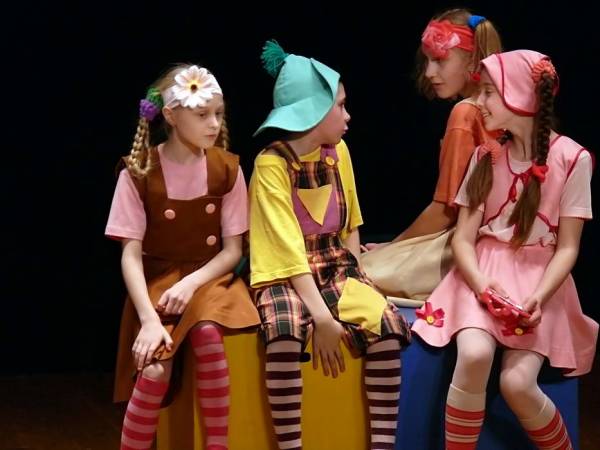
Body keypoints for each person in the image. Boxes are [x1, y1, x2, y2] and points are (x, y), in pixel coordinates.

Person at [412, 49, 598, 449]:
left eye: (489, 92)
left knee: (517, 383)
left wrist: (538, 297)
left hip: (539, 281)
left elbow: (568, 247)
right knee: (474, 355)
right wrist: (482, 286)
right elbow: (464, 239)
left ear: (521, 96)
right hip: (483, 273)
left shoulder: (572, 158)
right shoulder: (486, 156)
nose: (479, 102)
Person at [248, 40, 411, 450]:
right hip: (285, 275)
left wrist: (359, 281)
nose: (348, 115)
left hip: (334, 267)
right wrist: (322, 318)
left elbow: (351, 224)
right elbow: (286, 253)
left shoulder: (339, 152)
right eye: (340, 106)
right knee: (285, 332)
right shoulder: (271, 165)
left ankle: (382, 445)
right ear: (315, 112)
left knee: (387, 326)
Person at [105, 64, 260, 450]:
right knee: (155, 369)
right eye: (202, 114)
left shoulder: (227, 169)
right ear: (171, 117)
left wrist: (191, 284)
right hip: (158, 283)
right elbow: (130, 255)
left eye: (218, 113)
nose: (214, 123)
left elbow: (233, 250)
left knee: (208, 335)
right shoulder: (138, 172)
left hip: (210, 279)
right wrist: (147, 319)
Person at [361, 9, 503, 306]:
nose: (428, 72)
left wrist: (392, 248)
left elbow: (446, 211)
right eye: (427, 61)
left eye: (439, 60)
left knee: (359, 272)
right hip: (500, 246)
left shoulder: (466, 113)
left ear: (473, 60)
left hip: (468, 249)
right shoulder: (504, 109)